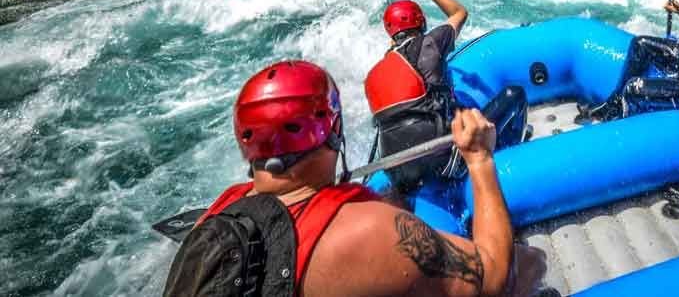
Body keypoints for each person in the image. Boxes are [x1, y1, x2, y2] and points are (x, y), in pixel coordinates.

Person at [164, 60, 544, 297]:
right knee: (531, 262)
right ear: (334, 129)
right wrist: (479, 159)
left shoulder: (216, 216)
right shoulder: (370, 234)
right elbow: (496, 277)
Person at [365, 0, 528, 194]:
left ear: (390, 34)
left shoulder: (375, 74)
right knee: (513, 95)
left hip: (399, 175)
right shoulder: (431, 42)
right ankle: (509, 159)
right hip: (441, 163)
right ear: (421, 22)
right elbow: (459, 12)